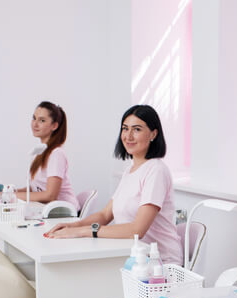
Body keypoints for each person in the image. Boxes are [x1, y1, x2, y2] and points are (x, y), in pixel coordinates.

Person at [45, 104, 183, 265]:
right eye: (125, 129)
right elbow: (105, 215)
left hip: (160, 263)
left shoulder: (156, 170)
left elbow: (136, 230)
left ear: (153, 133)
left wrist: (85, 231)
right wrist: (73, 226)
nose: (128, 136)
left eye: (137, 129)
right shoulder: (130, 171)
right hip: (134, 257)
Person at [15, 101, 80, 212]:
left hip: (63, 212)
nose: (35, 124)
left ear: (54, 126)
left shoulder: (56, 154)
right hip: (48, 210)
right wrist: (10, 192)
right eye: (34, 118)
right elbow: (34, 188)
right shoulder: (40, 152)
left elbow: (50, 195)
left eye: (42, 120)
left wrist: (14, 197)